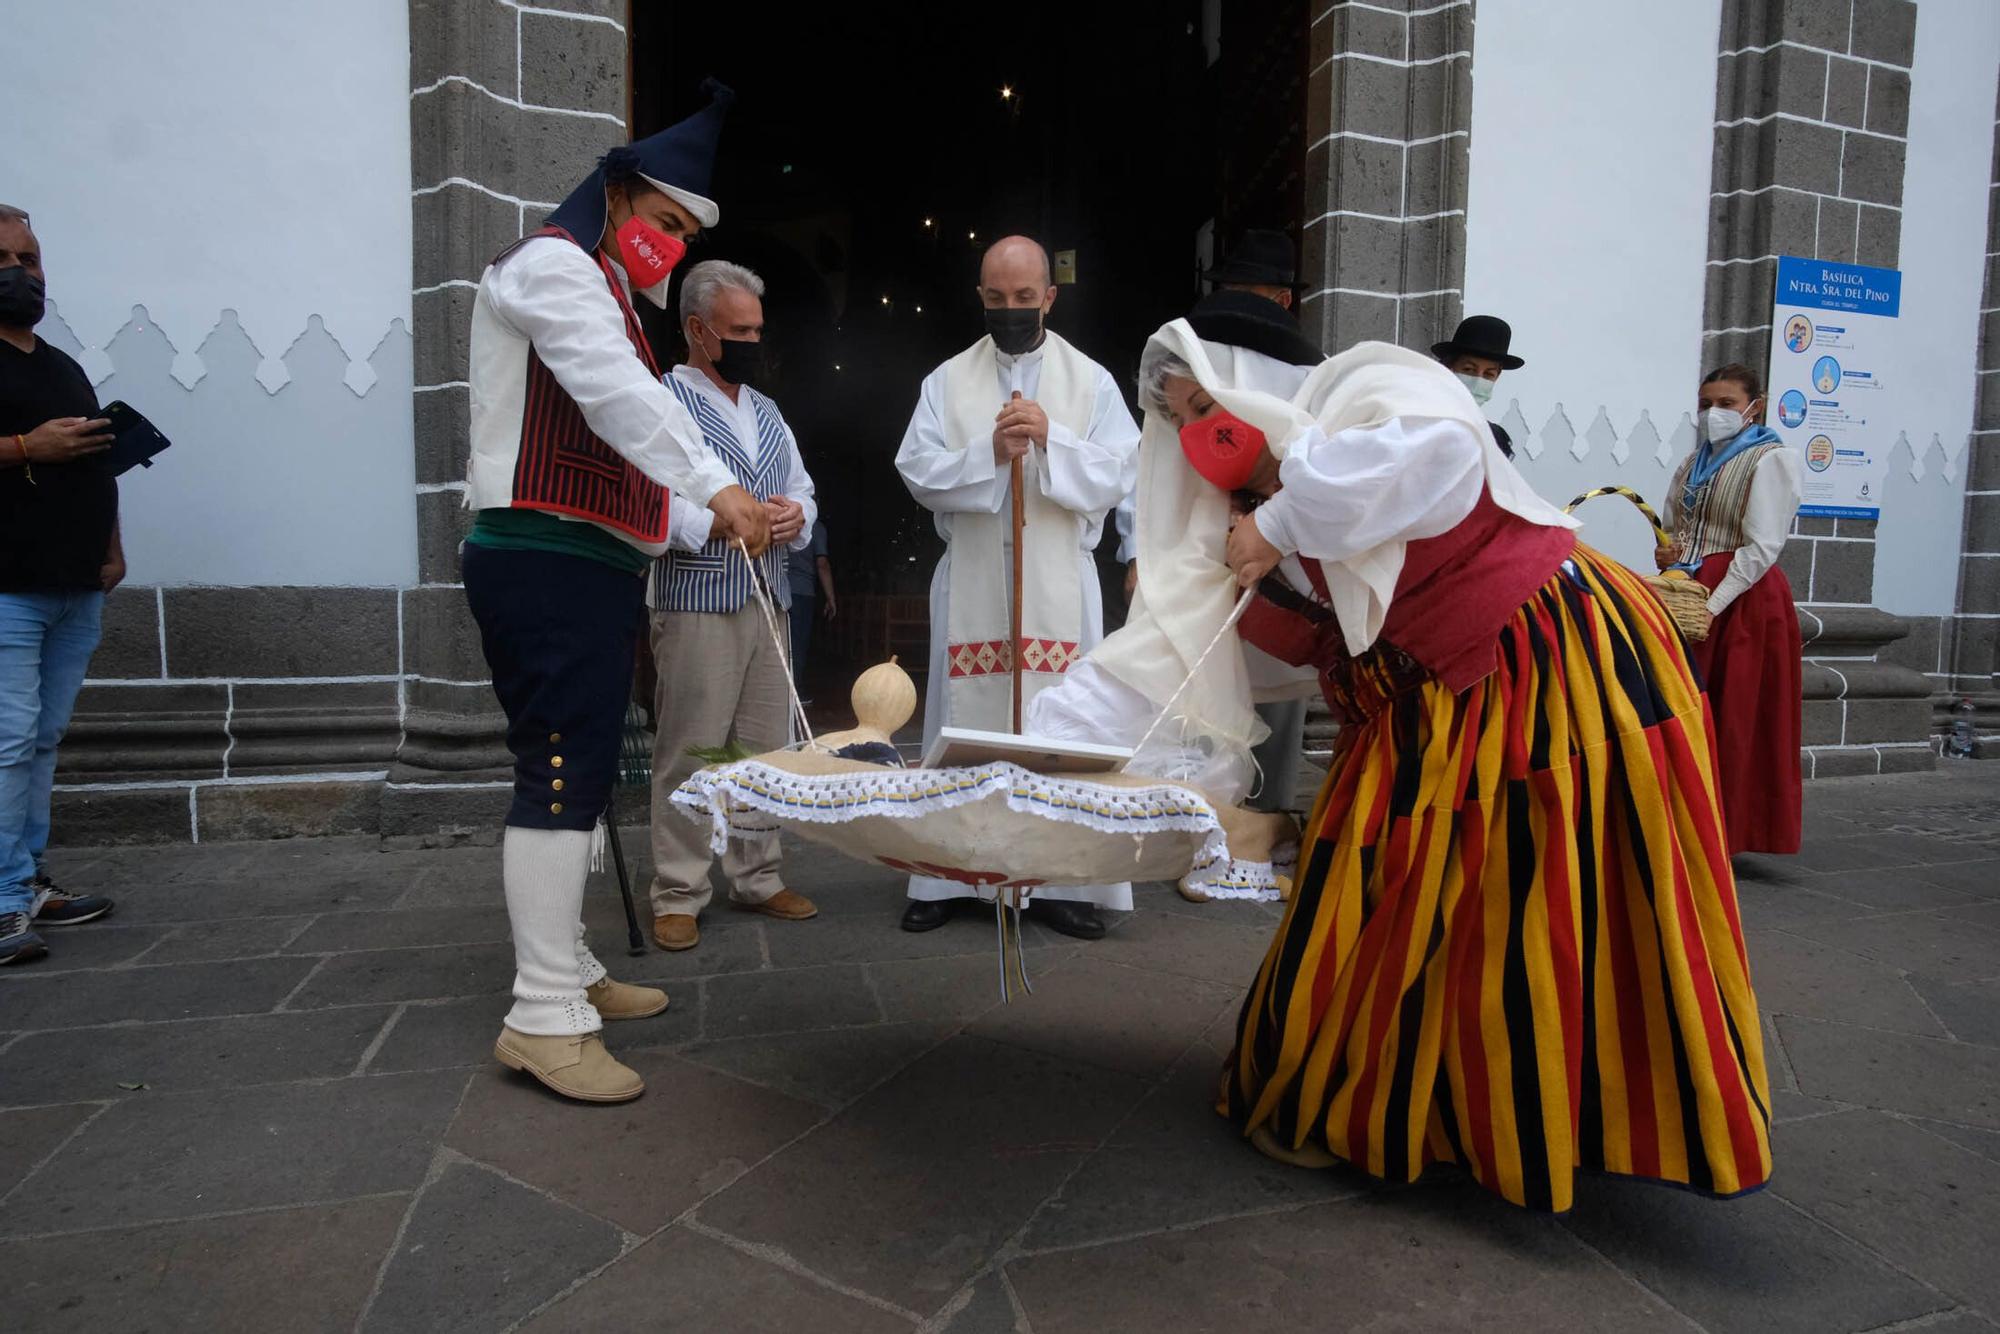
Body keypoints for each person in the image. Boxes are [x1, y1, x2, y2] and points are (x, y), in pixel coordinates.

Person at [1112, 318, 1771, 1211]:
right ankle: (1425, 1103)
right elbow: (1245, 656)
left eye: (1207, 401)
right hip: (1413, 698)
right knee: (1414, 889)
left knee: (1537, 891)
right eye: (1181, 417)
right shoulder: (1235, 521)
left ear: (1254, 385)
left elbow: (1440, 453)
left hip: (1541, 657)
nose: (1199, 429)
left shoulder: (1360, 399)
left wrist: (1276, 522)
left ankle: (1545, 1110)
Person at [459, 84, 772, 1104]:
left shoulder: (598, 283)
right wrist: (717, 486)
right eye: (666, 222)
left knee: (584, 769)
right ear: (620, 191)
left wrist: (694, 513)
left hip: (589, 560)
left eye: (686, 233)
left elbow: (626, 444)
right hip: (540, 554)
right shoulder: (552, 266)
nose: (671, 246)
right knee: (557, 770)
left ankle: (573, 967)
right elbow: (615, 395)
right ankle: (542, 1014)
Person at [894, 235, 1140, 940]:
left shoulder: (1089, 381)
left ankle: (1061, 884)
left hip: (1059, 579)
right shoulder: (946, 382)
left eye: (1024, 298)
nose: (1010, 310)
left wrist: (1052, 439)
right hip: (973, 576)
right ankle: (945, 877)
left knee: (1061, 731)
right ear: (980, 297)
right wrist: (987, 455)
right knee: (961, 724)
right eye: (996, 298)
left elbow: (1122, 468)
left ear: (1050, 297)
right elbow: (916, 469)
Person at [646, 260, 820, 952]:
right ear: (697, 329)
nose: (753, 340)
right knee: (691, 750)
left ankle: (756, 876)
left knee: (761, 750)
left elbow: (805, 490)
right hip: (698, 600)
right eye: (738, 329)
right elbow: (646, 502)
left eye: (757, 327)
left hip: (769, 598)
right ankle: (679, 890)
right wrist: (713, 522)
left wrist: (792, 518)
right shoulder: (661, 401)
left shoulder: (769, 411)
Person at [0, 204, 119, 967]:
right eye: (5, 260)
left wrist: (112, 547)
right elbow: (41, 448)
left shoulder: (60, 361)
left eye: (31, 259)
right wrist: (24, 446)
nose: (22, 274)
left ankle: (25, 881)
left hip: (76, 582)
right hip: (7, 585)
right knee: (6, 744)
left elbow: (94, 461)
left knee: (40, 741)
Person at [1658, 364, 1803, 855]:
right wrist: (1668, 557)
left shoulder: (1770, 460)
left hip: (1742, 599)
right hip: (1691, 589)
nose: (1713, 413)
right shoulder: (1693, 461)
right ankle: (1680, 820)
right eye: (1706, 404)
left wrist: (1713, 605)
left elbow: (1763, 547)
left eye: (1725, 404)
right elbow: (1675, 525)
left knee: (1734, 715)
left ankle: (1729, 830)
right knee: (1681, 707)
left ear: (1753, 407)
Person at [1431, 314, 1521, 458]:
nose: (1478, 380)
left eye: (1488, 374)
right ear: (1449, 368)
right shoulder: (1418, 425)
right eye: (1468, 370)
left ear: (1497, 377)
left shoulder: (1494, 438)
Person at [786, 518, 834, 692]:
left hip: (777, 589)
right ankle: (794, 691)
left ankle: (780, 691)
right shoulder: (816, 527)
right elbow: (822, 564)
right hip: (802, 592)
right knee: (798, 643)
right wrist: (831, 598)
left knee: (779, 641)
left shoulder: (782, 520)